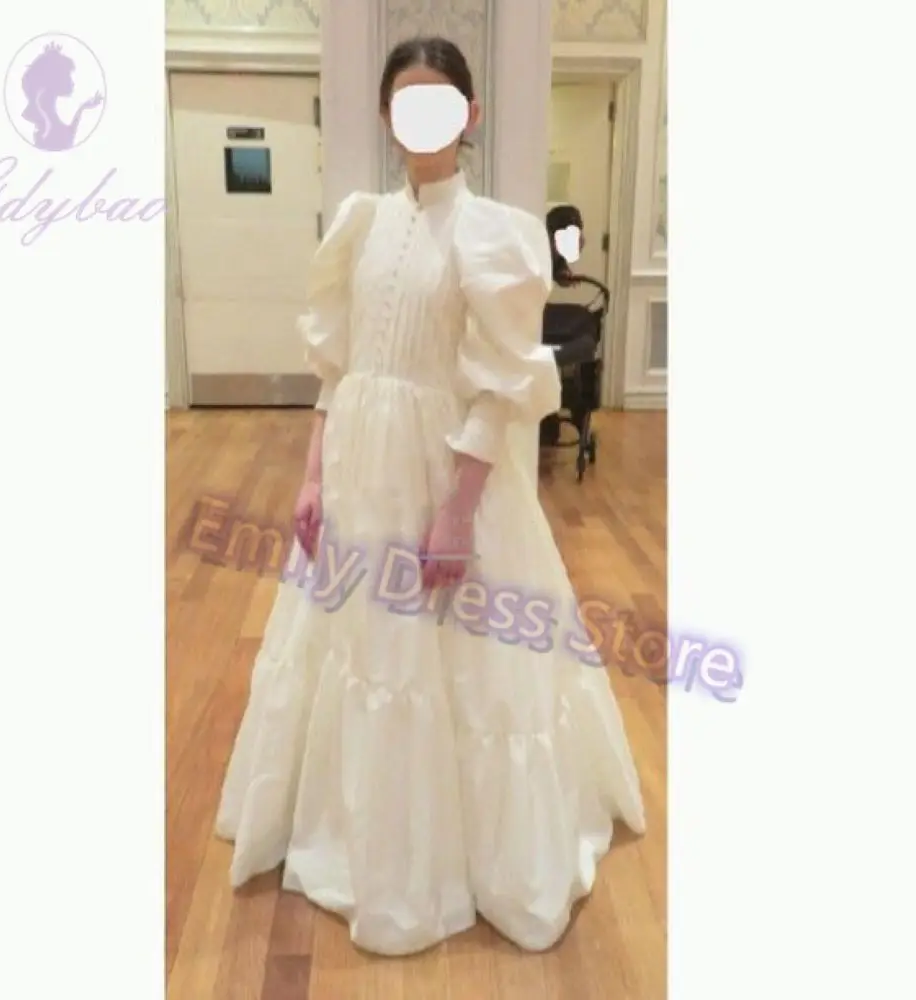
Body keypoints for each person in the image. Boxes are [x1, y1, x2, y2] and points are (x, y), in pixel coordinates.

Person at [215, 35, 645, 957]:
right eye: (404, 106)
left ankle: (462, 854)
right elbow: (338, 368)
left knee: (454, 655)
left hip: (444, 473)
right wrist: (312, 476)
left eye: (440, 106)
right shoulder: (361, 222)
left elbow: (499, 390)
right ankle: (353, 831)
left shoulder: (495, 234)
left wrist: (456, 514)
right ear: (385, 117)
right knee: (357, 647)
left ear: (470, 116)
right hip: (359, 471)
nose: (421, 124)